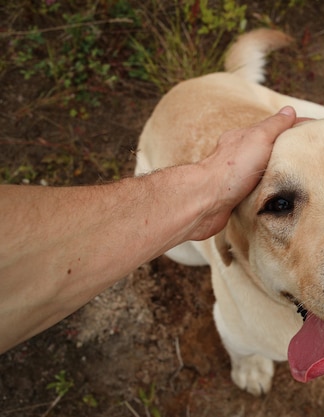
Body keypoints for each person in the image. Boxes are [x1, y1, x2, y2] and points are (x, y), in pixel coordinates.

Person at [0, 106, 298, 354]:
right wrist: (207, 190)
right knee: (183, 254)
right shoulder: (227, 235)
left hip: (234, 94)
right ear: (227, 243)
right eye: (282, 204)